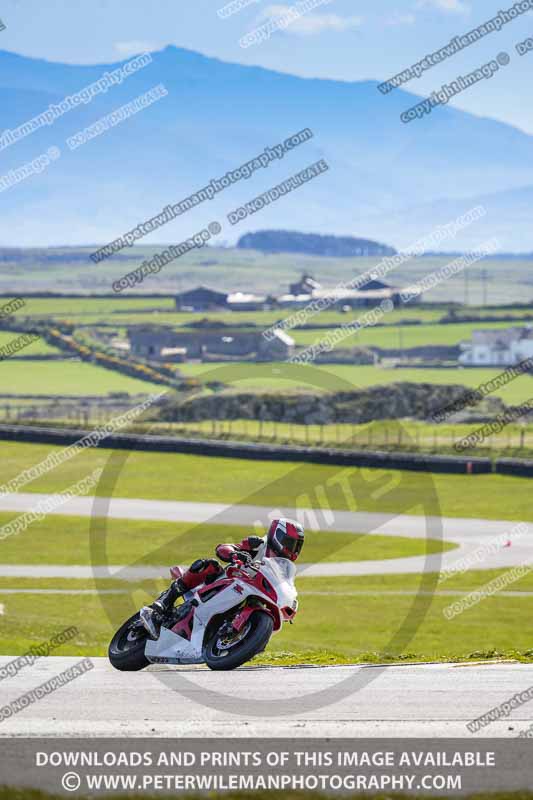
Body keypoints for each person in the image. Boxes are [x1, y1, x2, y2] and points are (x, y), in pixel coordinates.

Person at [140, 518, 304, 638]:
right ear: (277, 535)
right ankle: (162, 604)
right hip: (225, 583)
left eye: (297, 545)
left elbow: (285, 587)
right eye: (289, 542)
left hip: (252, 595)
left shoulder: (284, 567)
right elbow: (223, 548)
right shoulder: (258, 544)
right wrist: (234, 553)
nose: (292, 549)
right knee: (208, 565)